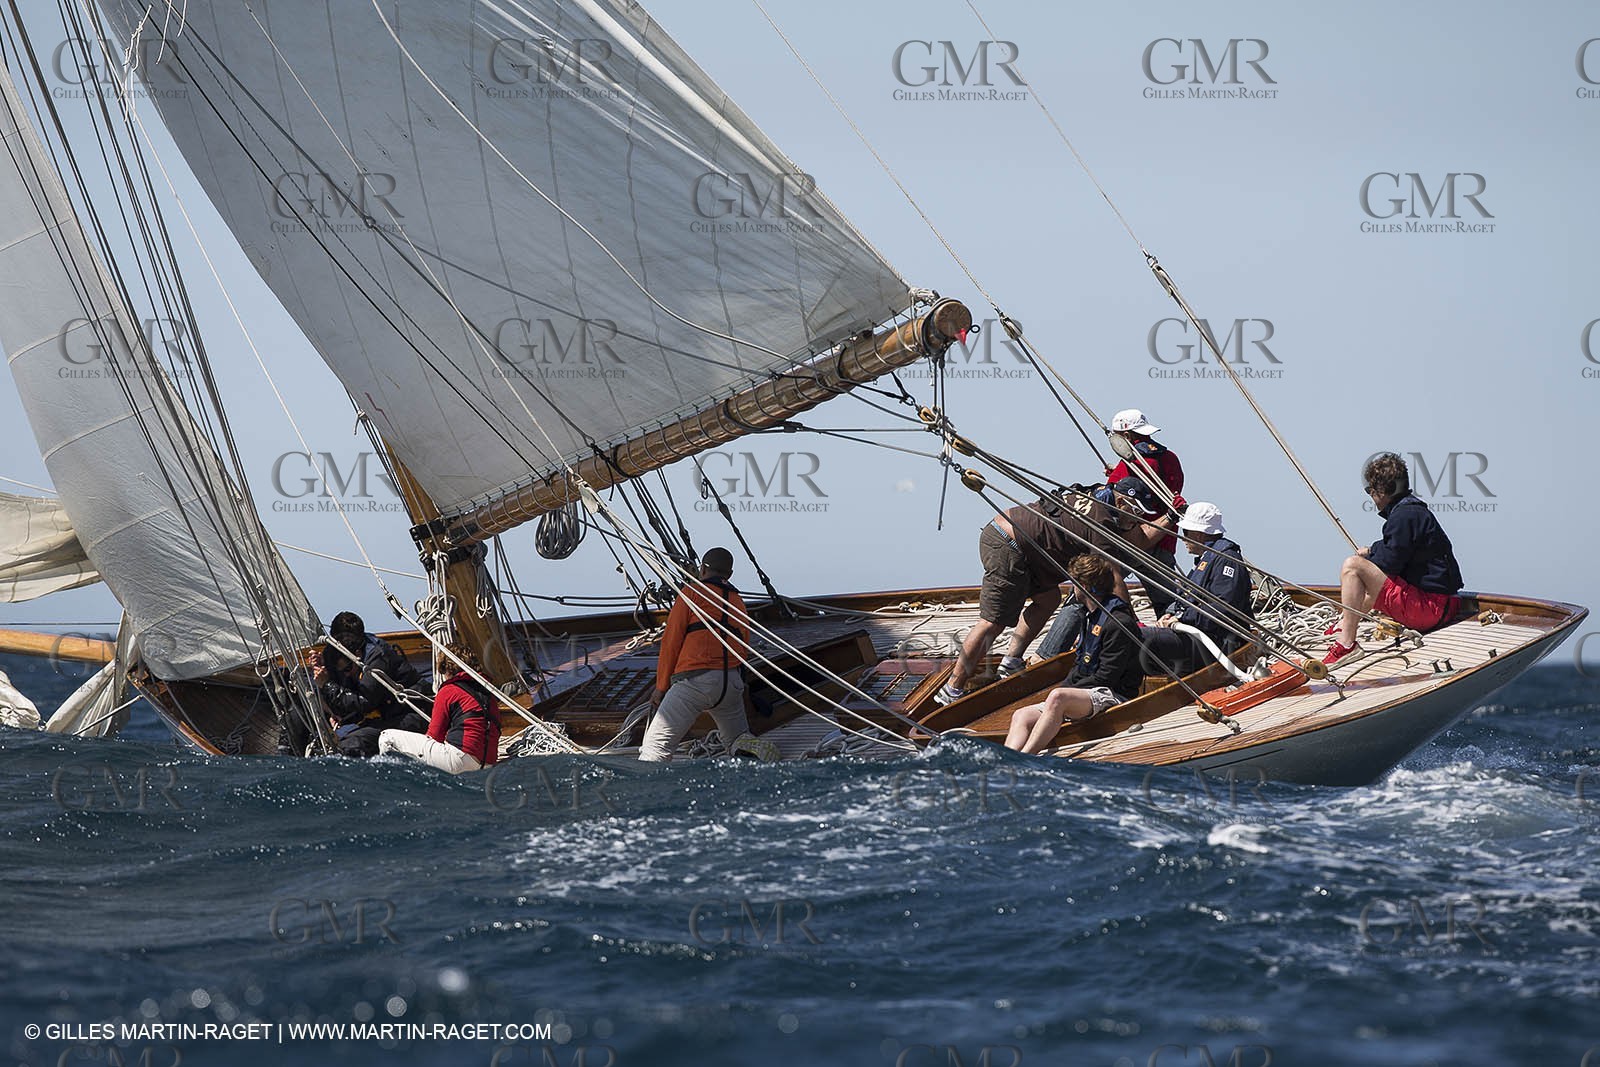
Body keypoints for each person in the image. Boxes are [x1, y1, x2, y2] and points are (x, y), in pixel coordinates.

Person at [936, 481, 1157, 705]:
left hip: (1022, 545)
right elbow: (1113, 576)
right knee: (993, 621)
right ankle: (952, 689)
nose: (1138, 520)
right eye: (1137, 512)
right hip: (1009, 543)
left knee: (1048, 599)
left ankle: (1010, 662)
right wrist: (1130, 621)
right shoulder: (1102, 522)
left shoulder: (1096, 494)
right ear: (1121, 502)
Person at [1324, 452, 1465, 667]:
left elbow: (1389, 562)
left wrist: (1370, 553)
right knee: (1373, 574)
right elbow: (1393, 557)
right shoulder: (1411, 512)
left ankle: (1346, 645)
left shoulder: (1403, 516)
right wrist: (1374, 551)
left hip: (1430, 609)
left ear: (1382, 491)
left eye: (1371, 490)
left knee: (1353, 567)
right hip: (1443, 605)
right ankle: (1347, 622)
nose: (1370, 495)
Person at [640, 548, 776, 762]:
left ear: (702, 569)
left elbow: (671, 643)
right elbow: (743, 647)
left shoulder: (690, 594)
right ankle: (756, 756)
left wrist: (661, 688)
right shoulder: (738, 601)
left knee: (655, 746)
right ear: (729, 575)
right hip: (730, 683)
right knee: (737, 740)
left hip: (695, 683)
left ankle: (647, 789)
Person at [1004, 554, 1143, 753]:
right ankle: (1009, 759)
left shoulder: (1117, 623)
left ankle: (1026, 757)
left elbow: (1107, 677)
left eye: (1074, 583)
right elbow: (1080, 665)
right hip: (1089, 692)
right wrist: (1069, 688)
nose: (1072, 588)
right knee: (1021, 715)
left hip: (1114, 694)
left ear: (1084, 587)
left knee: (1058, 697)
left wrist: (1068, 693)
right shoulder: (1090, 617)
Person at [1139, 502, 1254, 678]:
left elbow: (1221, 610)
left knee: (1138, 637)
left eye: (1185, 532)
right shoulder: (1206, 560)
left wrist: (1181, 619)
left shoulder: (1226, 561)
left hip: (1215, 643)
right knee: (1128, 634)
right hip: (1196, 636)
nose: (1183, 538)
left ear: (1199, 534)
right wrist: (1171, 615)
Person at [316, 611, 428, 758]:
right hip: (374, 713)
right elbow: (341, 690)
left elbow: (365, 701)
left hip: (407, 713)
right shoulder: (336, 655)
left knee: (353, 743)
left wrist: (328, 684)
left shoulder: (377, 658)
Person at [379, 643, 502, 773]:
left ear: (446, 668)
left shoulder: (449, 690)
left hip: (459, 760)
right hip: (487, 764)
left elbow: (434, 736)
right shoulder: (490, 694)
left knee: (387, 737)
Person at [1105, 409, 1186, 604]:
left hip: (1133, 542)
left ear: (1125, 436)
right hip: (1164, 542)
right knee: (1169, 607)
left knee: (1093, 596)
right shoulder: (1170, 457)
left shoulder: (1131, 463)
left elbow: (1111, 500)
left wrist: (1115, 480)